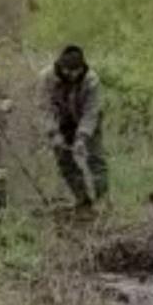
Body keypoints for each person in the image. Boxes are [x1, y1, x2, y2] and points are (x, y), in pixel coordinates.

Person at [40, 45, 108, 210]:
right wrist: (54, 133)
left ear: (81, 67)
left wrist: (82, 138)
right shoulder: (46, 77)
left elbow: (91, 112)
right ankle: (81, 198)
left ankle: (102, 199)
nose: (72, 75)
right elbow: (45, 108)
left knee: (96, 158)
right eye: (68, 71)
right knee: (64, 160)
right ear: (61, 66)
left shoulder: (91, 80)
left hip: (86, 119)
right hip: (61, 121)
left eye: (76, 71)